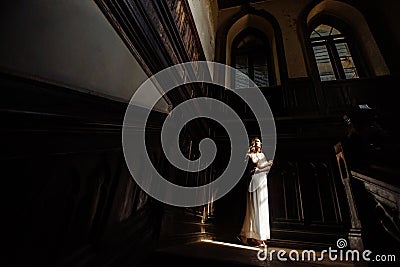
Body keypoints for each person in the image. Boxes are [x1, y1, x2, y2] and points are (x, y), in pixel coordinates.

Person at [237, 137, 273, 247]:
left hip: (262, 181)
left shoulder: (262, 155)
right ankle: (254, 236)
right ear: (253, 144)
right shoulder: (250, 155)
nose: (259, 144)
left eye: (259, 142)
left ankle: (251, 235)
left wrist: (261, 168)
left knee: (261, 208)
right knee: (253, 208)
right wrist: (265, 165)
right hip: (253, 181)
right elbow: (256, 163)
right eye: (256, 142)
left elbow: (266, 168)